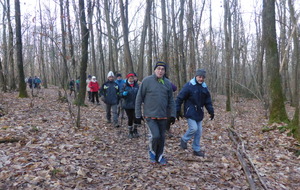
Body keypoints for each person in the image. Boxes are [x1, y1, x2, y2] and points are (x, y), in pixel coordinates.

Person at [135, 61, 176, 165]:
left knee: (162, 137)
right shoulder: (147, 81)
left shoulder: (167, 83)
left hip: (163, 115)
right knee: (155, 136)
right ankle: (152, 153)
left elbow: (171, 100)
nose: (160, 71)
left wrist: (173, 115)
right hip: (150, 115)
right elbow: (139, 98)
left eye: (162, 69)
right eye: (158, 69)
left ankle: (160, 156)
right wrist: (138, 115)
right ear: (154, 70)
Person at [176, 69, 214, 157]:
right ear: (196, 76)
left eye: (202, 77)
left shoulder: (204, 87)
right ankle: (184, 139)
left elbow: (207, 101)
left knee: (199, 132)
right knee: (193, 128)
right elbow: (179, 98)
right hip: (190, 111)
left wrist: (211, 111)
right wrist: (177, 110)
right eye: (199, 77)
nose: (201, 79)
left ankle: (196, 149)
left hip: (199, 112)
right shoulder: (189, 86)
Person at [120, 73, 140, 138]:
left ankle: (135, 130)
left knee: (136, 118)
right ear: (128, 78)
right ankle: (130, 132)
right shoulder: (124, 85)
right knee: (130, 118)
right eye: (130, 78)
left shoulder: (137, 85)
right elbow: (120, 94)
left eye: (132, 78)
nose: (131, 79)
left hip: (135, 104)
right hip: (127, 105)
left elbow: (140, 94)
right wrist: (123, 94)